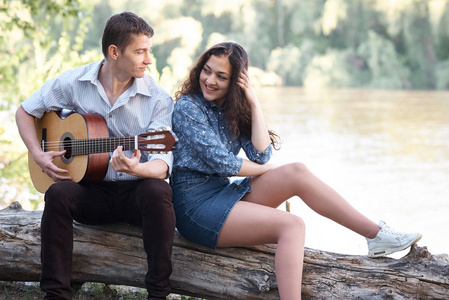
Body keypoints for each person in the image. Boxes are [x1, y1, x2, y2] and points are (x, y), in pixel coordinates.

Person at [169, 42, 422, 299]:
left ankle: (375, 236)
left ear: (237, 81)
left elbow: (260, 153)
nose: (210, 80)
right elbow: (223, 163)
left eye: (221, 76)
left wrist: (253, 102)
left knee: (297, 172)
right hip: (194, 205)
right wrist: (267, 170)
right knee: (292, 225)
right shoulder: (188, 107)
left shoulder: (232, 109)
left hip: (221, 193)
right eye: (207, 71)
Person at [15, 12, 175, 300]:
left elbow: (162, 165)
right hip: (90, 191)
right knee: (58, 194)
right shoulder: (73, 81)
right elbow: (26, 111)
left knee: (158, 190)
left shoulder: (159, 98)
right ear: (114, 52)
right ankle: (56, 294)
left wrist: (137, 169)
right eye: (140, 51)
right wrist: (38, 154)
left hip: (134, 195)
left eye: (149, 51)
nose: (149, 60)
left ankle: (158, 294)